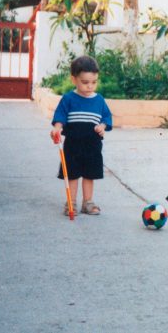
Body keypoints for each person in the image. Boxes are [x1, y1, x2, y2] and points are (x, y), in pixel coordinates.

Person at [50, 55, 113, 216]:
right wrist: (57, 128)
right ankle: (71, 202)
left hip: (92, 145)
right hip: (73, 145)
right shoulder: (69, 98)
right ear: (74, 79)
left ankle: (88, 202)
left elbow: (107, 117)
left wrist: (102, 126)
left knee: (89, 174)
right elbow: (60, 116)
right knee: (72, 174)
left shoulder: (99, 100)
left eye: (94, 82)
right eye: (85, 82)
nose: (90, 86)